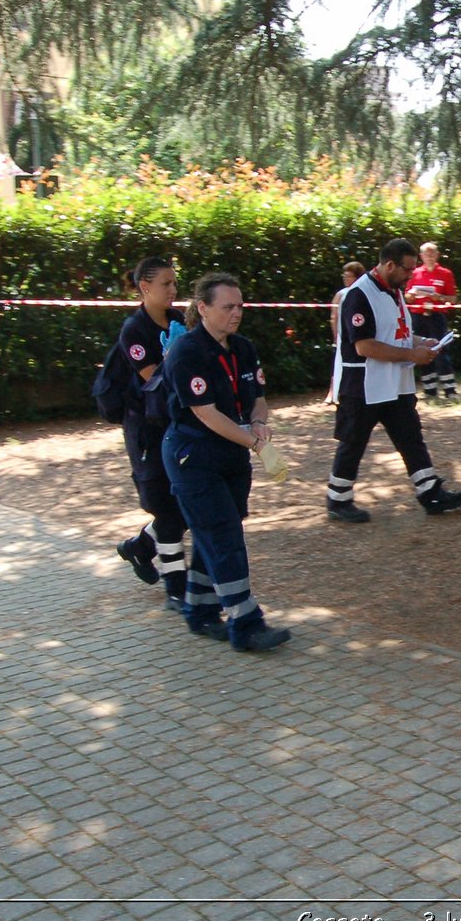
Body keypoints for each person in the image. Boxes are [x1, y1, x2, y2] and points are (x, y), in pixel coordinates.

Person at [161, 272, 290, 652]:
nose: (237, 313)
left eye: (240, 306)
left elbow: (258, 397)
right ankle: (246, 625)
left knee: (213, 535)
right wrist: (255, 444)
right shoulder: (187, 352)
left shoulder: (243, 348)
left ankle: (200, 612)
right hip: (194, 457)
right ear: (202, 308)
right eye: (227, 307)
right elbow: (206, 414)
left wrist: (260, 423)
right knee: (225, 538)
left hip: (231, 455)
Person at [326, 238, 461, 523]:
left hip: (394, 382)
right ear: (389, 264)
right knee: (353, 441)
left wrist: (423, 342)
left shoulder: (394, 291)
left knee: (410, 436)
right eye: (407, 270)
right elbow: (364, 346)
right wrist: (412, 353)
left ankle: (430, 491)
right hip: (363, 385)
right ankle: (337, 498)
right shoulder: (359, 295)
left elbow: (396, 333)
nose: (411, 275)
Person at [112, 257, 191, 614]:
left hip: (178, 424)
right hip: (147, 428)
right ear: (145, 287)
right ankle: (176, 586)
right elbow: (154, 379)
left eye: (175, 283)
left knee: (186, 505)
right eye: (166, 284)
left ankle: (141, 546)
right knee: (165, 506)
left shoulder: (178, 321)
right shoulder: (134, 329)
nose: (173, 290)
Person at [406, 242, 458, 399]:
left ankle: (450, 390)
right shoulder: (414, 273)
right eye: (426, 253)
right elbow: (407, 297)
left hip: (436, 316)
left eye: (432, 253)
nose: (429, 256)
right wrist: (413, 294)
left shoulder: (445, 273)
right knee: (422, 349)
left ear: (437, 255)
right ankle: (430, 390)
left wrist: (440, 297)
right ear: (421, 256)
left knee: (441, 350)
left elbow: (453, 299)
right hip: (418, 316)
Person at [325, 262, 365, 404]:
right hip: (343, 337)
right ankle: (333, 392)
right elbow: (334, 316)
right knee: (337, 363)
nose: (345, 278)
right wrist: (336, 335)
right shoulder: (341, 294)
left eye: (349, 276)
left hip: (357, 336)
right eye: (344, 276)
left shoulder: (362, 293)